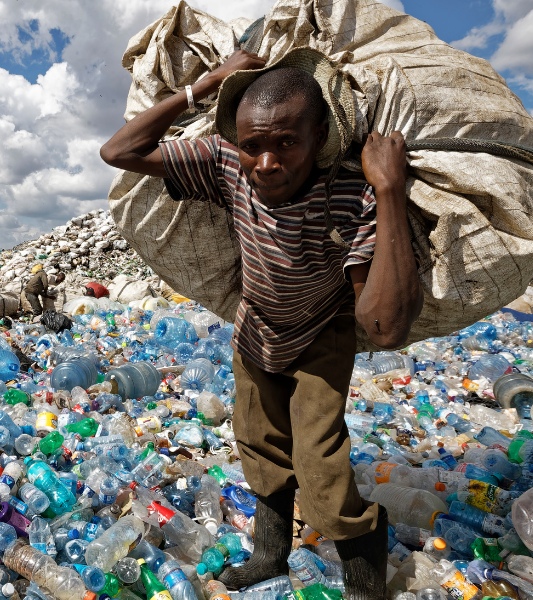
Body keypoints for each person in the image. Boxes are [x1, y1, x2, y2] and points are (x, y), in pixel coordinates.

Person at [100, 49, 422, 599]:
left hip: (322, 335)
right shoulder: (227, 164)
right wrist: (208, 84)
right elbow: (120, 150)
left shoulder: (350, 194)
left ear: (320, 136)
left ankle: (365, 577)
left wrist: (389, 189)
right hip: (256, 333)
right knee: (259, 449)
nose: (267, 163)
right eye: (254, 145)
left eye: (286, 143)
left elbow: (385, 326)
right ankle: (269, 557)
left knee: (319, 469)